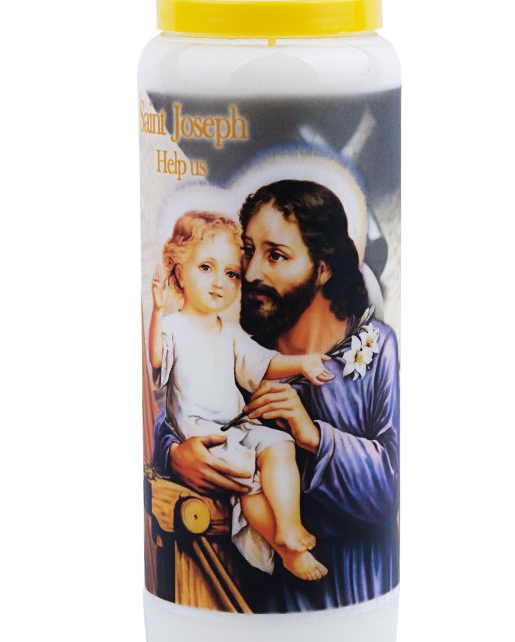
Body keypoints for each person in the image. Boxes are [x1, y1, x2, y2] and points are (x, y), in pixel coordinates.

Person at [152, 180, 400, 613]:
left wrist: (313, 436)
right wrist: (175, 454)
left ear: (322, 268)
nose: (249, 274)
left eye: (276, 256)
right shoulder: (241, 345)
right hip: (256, 600)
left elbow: (393, 489)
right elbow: (180, 404)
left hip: (359, 590)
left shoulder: (375, 350)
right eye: (248, 253)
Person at [149, 210, 335, 580]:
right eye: (206, 268)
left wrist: (302, 363)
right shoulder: (173, 327)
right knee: (249, 481)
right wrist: (156, 309)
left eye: (231, 274)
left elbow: (264, 362)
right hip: (203, 433)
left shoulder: (229, 332)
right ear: (178, 272)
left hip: (237, 425)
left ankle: (289, 525)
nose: (219, 282)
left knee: (279, 443)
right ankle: (288, 552)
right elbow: (154, 360)